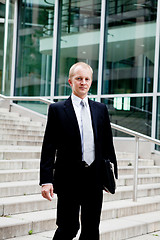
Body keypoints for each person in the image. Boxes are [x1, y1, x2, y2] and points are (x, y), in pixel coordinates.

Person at [40, 62, 118, 240]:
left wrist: (108, 175)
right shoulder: (57, 110)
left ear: (91, 82)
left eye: (87, 79)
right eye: (79, 79)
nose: (83, 82)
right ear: (70, 81)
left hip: (95, 178)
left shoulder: (100, 109)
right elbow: (49, 147)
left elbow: (107, 143)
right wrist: (46, 180)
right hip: (68, 179)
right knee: (68, 228)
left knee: (91, 230)